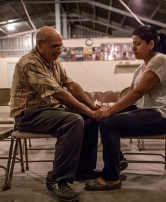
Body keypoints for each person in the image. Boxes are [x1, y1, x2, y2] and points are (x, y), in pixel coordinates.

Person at [85, 25, 166, 191]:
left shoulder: (160, 60)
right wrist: (107, 109)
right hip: (147, 111)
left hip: (163, 116)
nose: (133, 48)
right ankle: (115, 162)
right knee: (98, 117)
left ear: (151, 44)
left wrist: (110, 111)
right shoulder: (141, 68)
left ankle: (112, 178)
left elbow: (138, 92)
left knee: (108, 123)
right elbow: (130, 95)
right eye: (133, 43)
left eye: (138, 44)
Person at [10, 26, 100, 201]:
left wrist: (92, 108)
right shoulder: (31, 62)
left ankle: (83, 171)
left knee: (89, 119)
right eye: (54, 47)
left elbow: (71, 85)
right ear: (40, 44)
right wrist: (88, 109)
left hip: (50, 111)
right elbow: (59, 93)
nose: (59, 51)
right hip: (27, 114)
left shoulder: (54, 62)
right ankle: (56, 179)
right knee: (73, 120)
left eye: (60, 46)